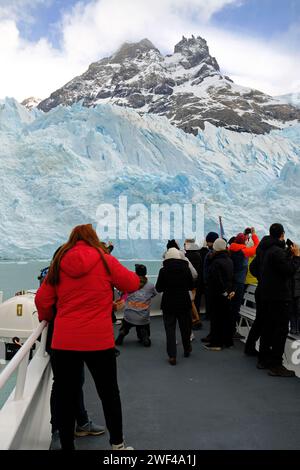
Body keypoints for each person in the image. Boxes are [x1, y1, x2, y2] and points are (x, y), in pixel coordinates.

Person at [35, 224, 140, 450]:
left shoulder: (59, 262)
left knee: (65, 395)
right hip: (98, 340)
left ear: (72, 239)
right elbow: (131, 283)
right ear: (93, 238)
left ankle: (67, 446)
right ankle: (117, 445)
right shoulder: (104, 259)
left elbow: (43, 301)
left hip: (64, 340)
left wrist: (52, 317)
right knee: (109, 393)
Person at [38, 261, 105, 448]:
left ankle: (80, 423)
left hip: (69, 337)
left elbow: (43, 305)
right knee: (63, 384)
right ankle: (58, 430)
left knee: (74, 381)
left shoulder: (60, 276)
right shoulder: (56, 277)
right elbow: (44, 302)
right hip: (61, 338)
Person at [254, 223, 300, 377]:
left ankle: (263, 359)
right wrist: (297, 257)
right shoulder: (277, 252)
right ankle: (276, 365)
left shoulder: (267, 250)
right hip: (279, 297)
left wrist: (288, 254)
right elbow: (289, 271)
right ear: (281, 234)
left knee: (268, 327)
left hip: (267, 295)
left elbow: (277, 267)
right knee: (280, 330)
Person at [156, 247, 194, 365]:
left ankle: (172, 356)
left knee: (170, 330)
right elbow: (191, 285)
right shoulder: (186, 269)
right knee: (185, 328)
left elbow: (159, 288)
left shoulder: (163, 270)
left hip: (168, 304)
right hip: (184, 303)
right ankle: (187, 349)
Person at [115, 264, 157, 347]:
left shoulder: (129, 283)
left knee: (126, 323)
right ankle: (144, 336)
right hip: (143, 316)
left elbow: (121, 293)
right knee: (143, 324)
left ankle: (123, 331)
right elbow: (154, 294)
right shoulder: (150, 285)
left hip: (129, 315)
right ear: (145, 273)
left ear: (135, 273)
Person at [204, 238, 235, 351]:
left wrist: (223, 292)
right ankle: (228, 341)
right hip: (228, 294)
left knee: (216, 319)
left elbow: (216, 280)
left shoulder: (216, 262)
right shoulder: (229, 260)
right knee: (226, 318)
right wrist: (230, 291)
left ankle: (216, 343)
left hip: (217, 294)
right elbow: (231, 278)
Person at [229, 228, 259, 339]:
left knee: (230, 308)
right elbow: (257, 246)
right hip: (239, 283)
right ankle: (231, 332)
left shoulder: (231, 249)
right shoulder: (244, 251)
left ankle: (228, 330)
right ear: (244, 242)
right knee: (235, 309)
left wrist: (246, 235)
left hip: (231, 282)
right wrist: (254, 235)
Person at [184, 238, 203, 329]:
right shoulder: (198, 255)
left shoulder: (186, 256)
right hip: (197, 282)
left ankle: (195, 319)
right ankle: (196, 319)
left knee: (191, 302)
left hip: (190, 282)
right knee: (195, 301)